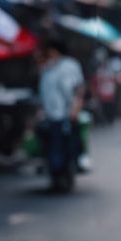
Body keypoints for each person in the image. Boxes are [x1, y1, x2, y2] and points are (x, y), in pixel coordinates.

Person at [38, 39, 85, 176]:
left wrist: (75, 108)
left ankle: (70, 166)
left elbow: (77, 88)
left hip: (65, 114)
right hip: (50, 114)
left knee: (63, 147)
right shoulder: (48, 67)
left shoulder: (69, 66)